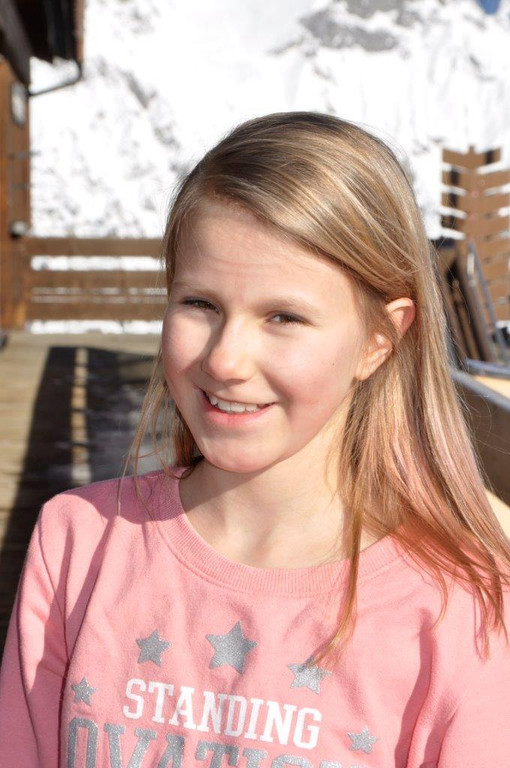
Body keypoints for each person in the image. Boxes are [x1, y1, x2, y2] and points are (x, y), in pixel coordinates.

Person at [0, 112, 509, 767]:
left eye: (283, 316)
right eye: (201, 304)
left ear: (379, 339)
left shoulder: (459, 610)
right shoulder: (78, 540)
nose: (226, 359)